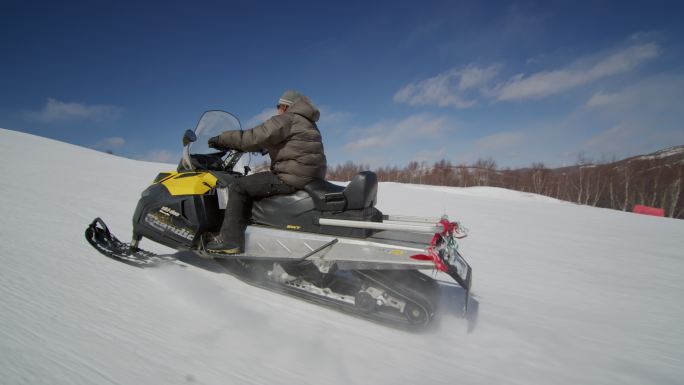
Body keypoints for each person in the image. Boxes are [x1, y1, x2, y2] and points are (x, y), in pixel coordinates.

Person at [204, 90, 327, 254]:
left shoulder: (287, 118)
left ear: (285, 106)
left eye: (279, 106)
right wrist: (265, 147)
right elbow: (293, 144)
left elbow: (254, 136)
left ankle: (229, 241)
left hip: (291, 176)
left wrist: (222, 139)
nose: (277, 109)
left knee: (238, 186)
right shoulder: (307, 122)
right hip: (311, 177)